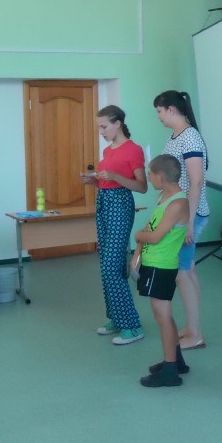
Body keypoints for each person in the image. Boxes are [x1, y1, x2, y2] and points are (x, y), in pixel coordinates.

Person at [81, 106, 148, 345]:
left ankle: (132, 325)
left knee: (111, 266)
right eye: (99, 127)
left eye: (104, 126)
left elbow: (142, 186)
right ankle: (117, 317)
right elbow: (107, 183)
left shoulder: (134, 150)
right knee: (109, 264)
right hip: (104, 203)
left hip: (120, 205)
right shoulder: (107, 150)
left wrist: (115, 177)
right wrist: (94, 182)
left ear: (118, 124)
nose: (101, 131)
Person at [153, 90, 209, 350]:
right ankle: (192, 326)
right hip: (179, 213)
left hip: (188, 216)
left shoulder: (190, 138)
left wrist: (189, 222)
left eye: (159, 111)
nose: (159, 116)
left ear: (171, 109)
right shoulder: (176, 136)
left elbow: (196, 182)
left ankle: (195, 334)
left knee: (182, 274)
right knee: (188, 271)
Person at [132, 155, 189, 387]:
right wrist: (137, 252)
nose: (148, 177)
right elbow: (151, 225)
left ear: (160, 176)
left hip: (162, 266)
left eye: (150, 174)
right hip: (152, 262)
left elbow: (154, 236)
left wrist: (138, 236)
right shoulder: (164, 197)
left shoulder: (178, 204)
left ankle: (169, 370)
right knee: (163, 315)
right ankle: (176, 361)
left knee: (162, 316)